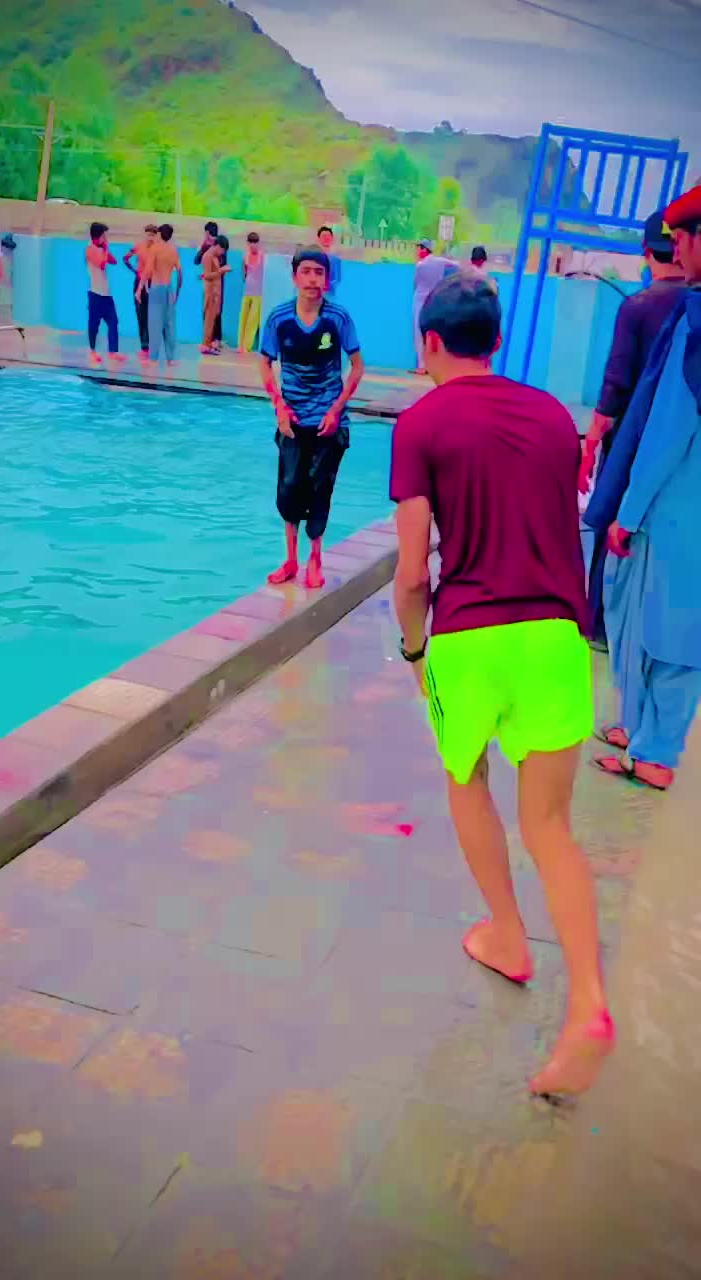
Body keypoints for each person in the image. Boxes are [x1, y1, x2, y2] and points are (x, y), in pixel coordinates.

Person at [391, 269, 613, 1098]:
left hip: (470, 638)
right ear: (496, 341)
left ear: (431, 343)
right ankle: (589, 1004)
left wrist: (415, 652)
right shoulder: (553, 415)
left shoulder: (420, 422)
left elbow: (414, 572)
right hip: (556, 635)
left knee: (467, 777)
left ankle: (510, 936)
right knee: (551, 826)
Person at [586, 186, 701, 790]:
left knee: (658, 624)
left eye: (682, 239)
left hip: (674, 504)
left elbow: (667, 430)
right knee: (669, 624)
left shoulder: (694, 322)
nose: (675, 251)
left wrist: (627, 512)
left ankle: (651, 748)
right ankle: (645, 738)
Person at [579, 211, 686, 648]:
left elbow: (615, 387)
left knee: (611, 524)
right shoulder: (692, 306)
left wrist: (591, 442)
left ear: (646, 252)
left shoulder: (638, 307)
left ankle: (600, 626)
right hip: (679, 449)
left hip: (630, 442)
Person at [260, 247, 364, 590]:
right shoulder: (278, 318)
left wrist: (336, 410)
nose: (312, 279)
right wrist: (279, 406)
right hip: (292, 421)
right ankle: (291, 560)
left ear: (327, 279)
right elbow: (265, 364)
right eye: (305, 272)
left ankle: (315, 560)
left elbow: (357, 367)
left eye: (319, 273)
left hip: (328, 422)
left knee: (320, 488)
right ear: (294, 277)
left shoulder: (338, 318)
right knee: (290, 487)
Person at [138, 223, 183, 367]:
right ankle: (171, 359)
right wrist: (177, 292)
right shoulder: (173, 250)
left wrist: (139, 289)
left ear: (159, 234)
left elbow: (148, 270)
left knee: (155, 324)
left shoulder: (155, 248)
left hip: (157, 288)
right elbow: (180, 273)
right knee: (170, 325)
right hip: (169, 289)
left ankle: (153, 359)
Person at [85, 222, 124, 365]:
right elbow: (101, 265)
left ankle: (113, 352)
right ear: (98, 236)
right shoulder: (90, 249)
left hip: (106, 295)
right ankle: (92, 351)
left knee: (113, 321)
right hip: (96, 294)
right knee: (94, 325)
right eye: (103, 235)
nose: (105, 238)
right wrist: (105, 248)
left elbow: (113, 261)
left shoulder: (101, 249)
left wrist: (105, 248)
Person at [411, 239, 449, 374]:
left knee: (418, 331)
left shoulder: (420, 265)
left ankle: (422, 366)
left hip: (420, 299)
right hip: (434, 300)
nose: (417, 251)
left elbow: (416, 283)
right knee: (432, 333)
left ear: (424, 249)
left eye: (419, 248)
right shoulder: (440, 261)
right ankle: (433, 365)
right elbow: (456, 265)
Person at [123, 224, 158, 359]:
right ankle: (144, 347)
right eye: (149, 234)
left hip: (152, 283)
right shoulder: (138, 246)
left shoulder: (157, 249)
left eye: (153, 235)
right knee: (140, 314)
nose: (150, 237)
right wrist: (135, 271)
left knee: (151, 315)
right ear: (145, 234)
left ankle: (151, 345)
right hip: (139, 282)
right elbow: (125, 258)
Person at [200, 237, 231, 355]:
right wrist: (222, 270)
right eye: (222, 250)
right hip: (210, 292)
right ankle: (205, 345)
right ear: (218, 246)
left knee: (212, 320)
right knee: (208, 320)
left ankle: (209, 343)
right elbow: (207, 275)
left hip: (215, 292)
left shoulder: (214, 257)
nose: (222, 253)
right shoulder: (207, 256)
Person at [195, 221, 223, 348]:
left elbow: (221, 264)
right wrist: (203, 246)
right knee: (209, 311)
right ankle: (209, 340)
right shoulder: (207, 247)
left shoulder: (219, 246)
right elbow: (196, 260)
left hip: (216, 281)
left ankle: (215, 339)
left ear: (207, 232)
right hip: (210, 281)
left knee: (215, 310)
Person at [238, 231, 264, 353]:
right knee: (243, 318)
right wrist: (246, 280)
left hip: (258, 293)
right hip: (247, 290)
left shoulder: (262, 257)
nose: (253, 245)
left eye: (255, 242)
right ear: (248, 243)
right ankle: (240, 344)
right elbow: (243, 272)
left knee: (252, 321)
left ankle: (246, 346)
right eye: (251, 242)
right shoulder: (245, 256)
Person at [317, 226, 342, 295]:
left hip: (330, 293)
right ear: (319, 239)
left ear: (332, 238)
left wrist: (329, 286)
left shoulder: (336, 259)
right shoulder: (313, 257)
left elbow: (338, 279)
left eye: (328, 236)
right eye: (324, 236)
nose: (326, 238)